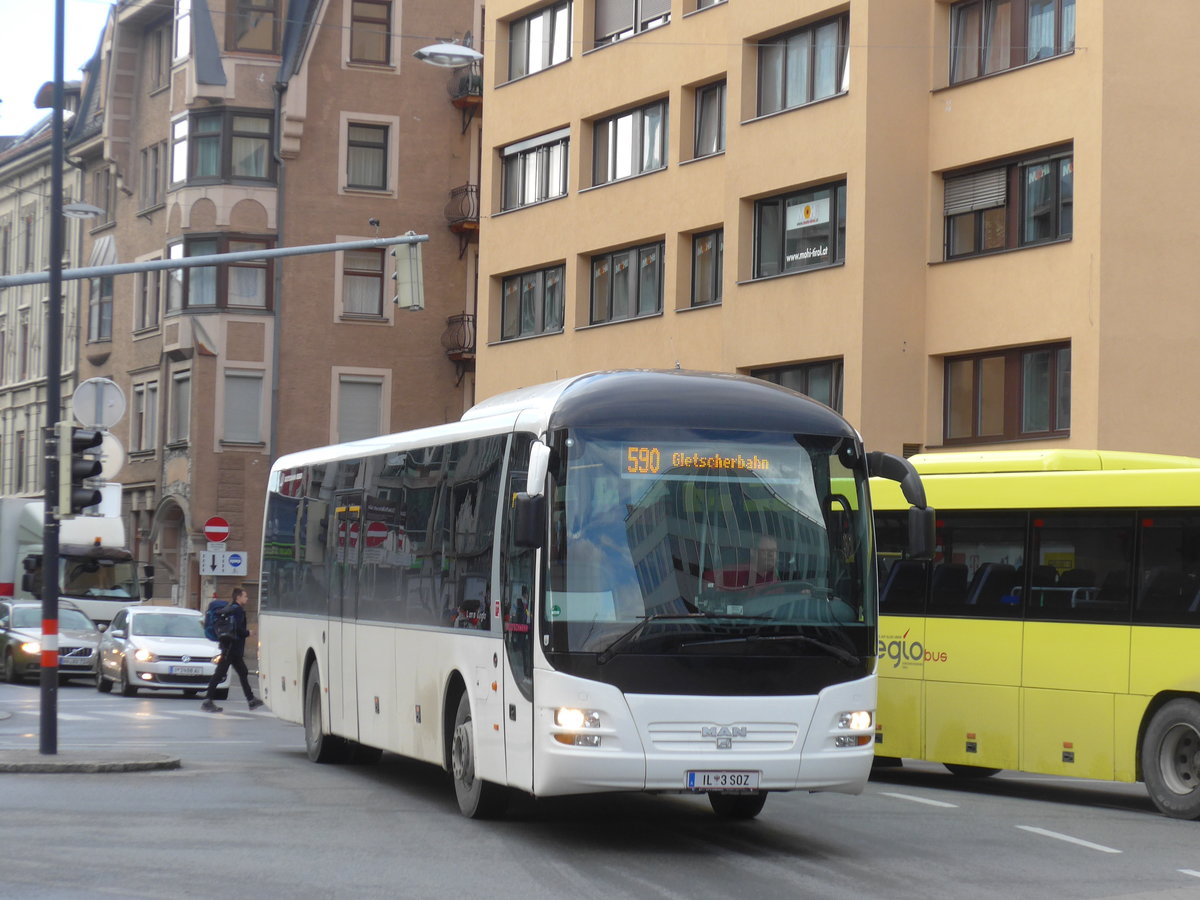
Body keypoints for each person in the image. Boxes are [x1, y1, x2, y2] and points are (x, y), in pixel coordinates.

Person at [201, 588, 264, 713]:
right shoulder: (237, 610)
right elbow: (238, 630)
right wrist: (249, 632)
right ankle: (207, 700)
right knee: (219, 674)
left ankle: (251, 699)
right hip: (231, 649)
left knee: (243, 672)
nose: (247, 598)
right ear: (238, 597)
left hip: (231, 648)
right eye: (245, 596)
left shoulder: (231, 609)